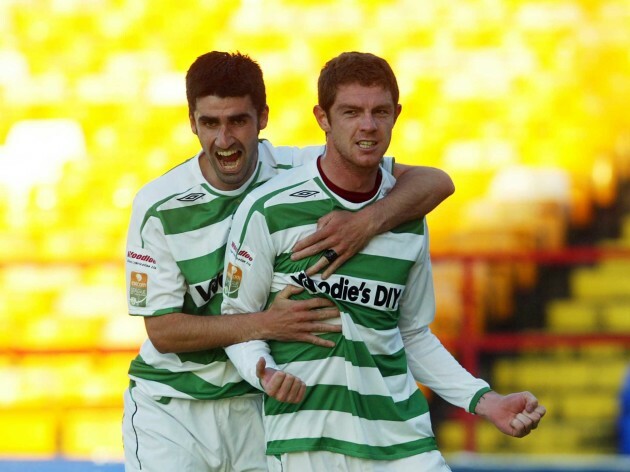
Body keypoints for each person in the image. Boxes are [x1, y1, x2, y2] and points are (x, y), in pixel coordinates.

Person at [122, 51, 455, 472]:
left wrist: (367, 221)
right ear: (192, 122)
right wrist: (265, 324)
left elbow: (435, 181)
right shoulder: (159, 205)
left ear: (262, 117)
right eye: (210, 123)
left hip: (264, 404)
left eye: (238, 121)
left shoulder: (295, 168)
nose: (224, 139)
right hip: (173, 408)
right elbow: (163, 331)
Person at [222, 51, 547, 472]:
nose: (368, 126)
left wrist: (486, 401)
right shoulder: (269, 208)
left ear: (397, 114)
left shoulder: (407, 217)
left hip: (403, 442)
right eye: (351, 112)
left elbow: (412, 333)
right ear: (323, 117)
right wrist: (263, 371)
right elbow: (237, 319)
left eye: (379, 112)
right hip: (309, 441)